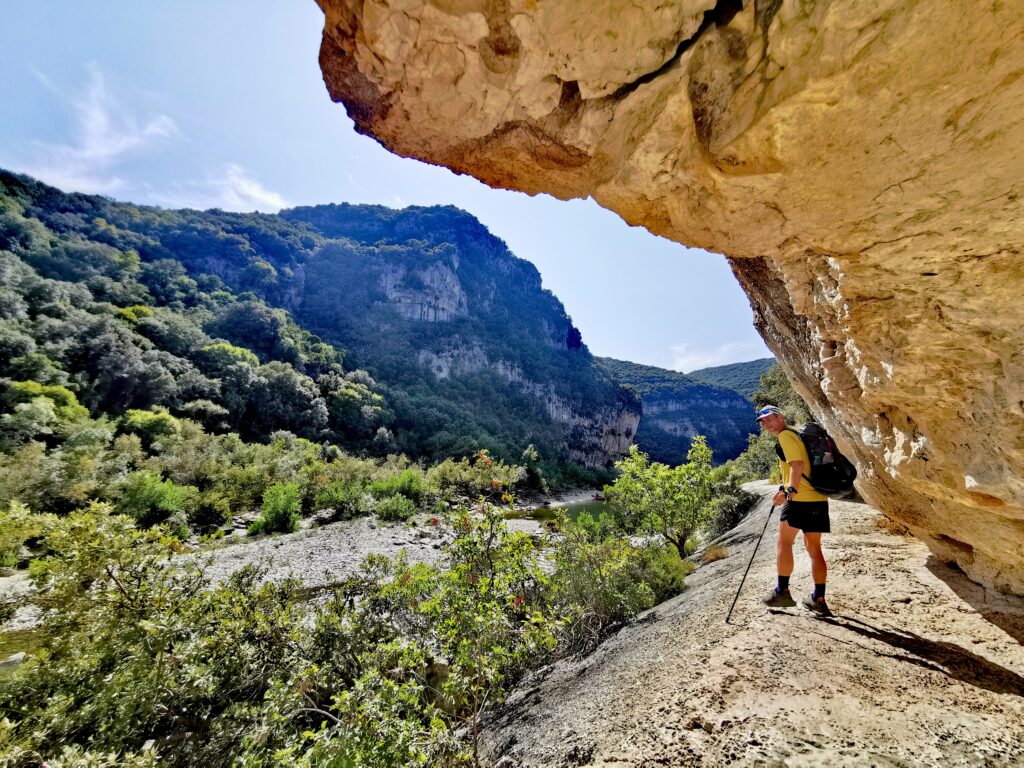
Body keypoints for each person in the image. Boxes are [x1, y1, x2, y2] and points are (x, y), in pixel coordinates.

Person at [755, 405, 831, 616]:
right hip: (817, 498)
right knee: (814, 549)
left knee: (784, 543)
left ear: (780, 417)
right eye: (763, 422)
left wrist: (790, 492)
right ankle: (819, 598)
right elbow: (800, 467)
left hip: (799, 500)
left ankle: (782, 592)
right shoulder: (797, 434)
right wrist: (785, 485)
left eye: (770, 419)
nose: (766, 424)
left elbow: (796, 465)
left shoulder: (786, 437)